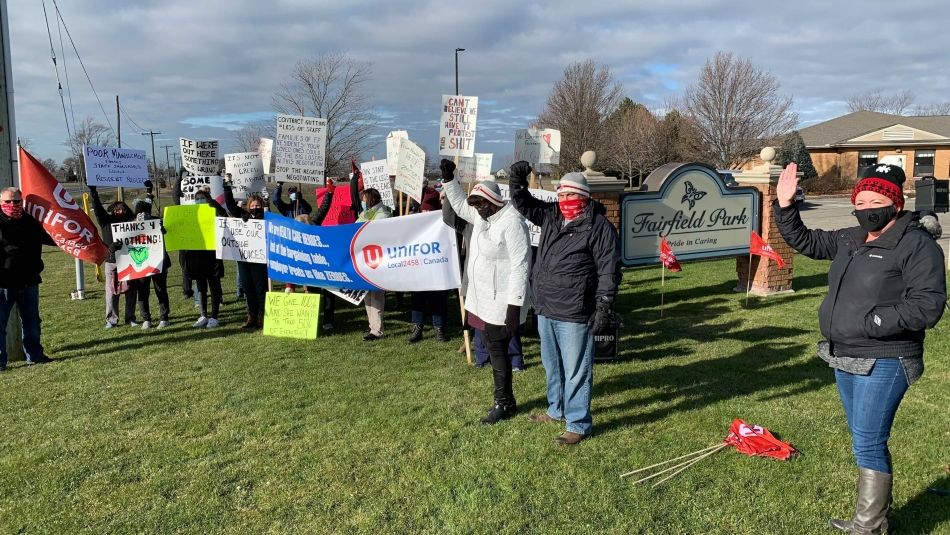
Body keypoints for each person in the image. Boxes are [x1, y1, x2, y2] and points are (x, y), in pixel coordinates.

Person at [774, 162, 946, 534]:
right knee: (862, 439)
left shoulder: (916, 244)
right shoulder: (851, 237)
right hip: (845, 355)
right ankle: (873, 520)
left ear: (895, 204)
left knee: (868, 442)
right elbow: (806, 241)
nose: (868, 207)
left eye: (877, 200)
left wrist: (873, 322)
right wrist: (786, 207)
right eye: (862, 200)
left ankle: (867, 527)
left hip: (886, 358)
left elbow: (928, 303)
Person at [509, 162, 620, 445]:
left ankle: (578, 423)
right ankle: (555, 409)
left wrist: (604, 306)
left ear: (584, 197)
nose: (564, 200)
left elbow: (609, 269)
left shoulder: (599, 227)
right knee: (552, 365)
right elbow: (522, 203)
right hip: (546, 307)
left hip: (575, 310)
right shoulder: (551, 217)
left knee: (575, 370)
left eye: (570, 195)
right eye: (560, 195)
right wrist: (517, 180)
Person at [441, 160, 531, 425]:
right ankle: (505, 399)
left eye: (481, 203)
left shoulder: (512, 222)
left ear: (493, 201)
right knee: (493, 349)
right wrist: (449, 179)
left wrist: (514, 306)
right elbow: (458, 205)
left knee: (499, 351)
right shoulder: (483, 218)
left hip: (501, 301)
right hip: (481, 300)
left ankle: (503, 403)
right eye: (476, 204)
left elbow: (521, 265)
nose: (478, 209)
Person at [0, 187, 56, 370]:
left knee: (32, 322)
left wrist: (70, 237)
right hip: (4, 283)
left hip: (29, 281)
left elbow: (51, 238)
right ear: (1, 202)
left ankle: (34, 355)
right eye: (7, 202)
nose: (12, 205)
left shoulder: (30, 221)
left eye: (16, 201)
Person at [88, 184, 138, 328]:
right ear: (112, 211)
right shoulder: (106, 222)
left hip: (129, 261)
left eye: (122, 208)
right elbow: (97, 210)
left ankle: (131, 318)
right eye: (116, 209)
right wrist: (93, 193)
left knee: (130, 291)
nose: (119, 211)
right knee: (111, 293)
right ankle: (111, 320)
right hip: (112, 262)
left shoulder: (131, 222)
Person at [223, 187, 270, 330]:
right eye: (253, 206)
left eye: (258, 206)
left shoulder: (266, 218)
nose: (255, 208)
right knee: (248, 289)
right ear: (248, 206)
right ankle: (251, 316)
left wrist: (267, 203)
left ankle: (263, 316)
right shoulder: (243, 216)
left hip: (259, 260)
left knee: (260, 289)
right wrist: (227, 188)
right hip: (243, 260)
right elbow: (230, 205)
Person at [407, 181, 449, 343]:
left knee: (437, 298)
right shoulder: (413, 219)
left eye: (427, 210)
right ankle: (417, 327)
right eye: (422, 209)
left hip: (437, 266)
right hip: (418, 265)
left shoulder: (442, 220)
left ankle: (439, 328)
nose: (424, 212)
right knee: (417, 297)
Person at [129, 181, 172, 329]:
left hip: (159, 261)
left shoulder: (157, 222)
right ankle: (146, 318)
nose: (143, 216)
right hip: (141, 262)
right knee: (143, 292)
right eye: (139, 213)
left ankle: (164, 317)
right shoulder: (130, 225)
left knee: (160, 290)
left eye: (145, 213)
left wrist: (163, 230)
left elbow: (168, 236)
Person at [356, 187, 393, 341]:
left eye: (364, 199)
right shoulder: (364, 214)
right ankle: (373, 326)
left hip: (377, 259)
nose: (362, 202)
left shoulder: (382, 214)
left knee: (376, 295)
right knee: (367, 295)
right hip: (364, 258)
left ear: (370, 200)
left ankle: (377, 330)